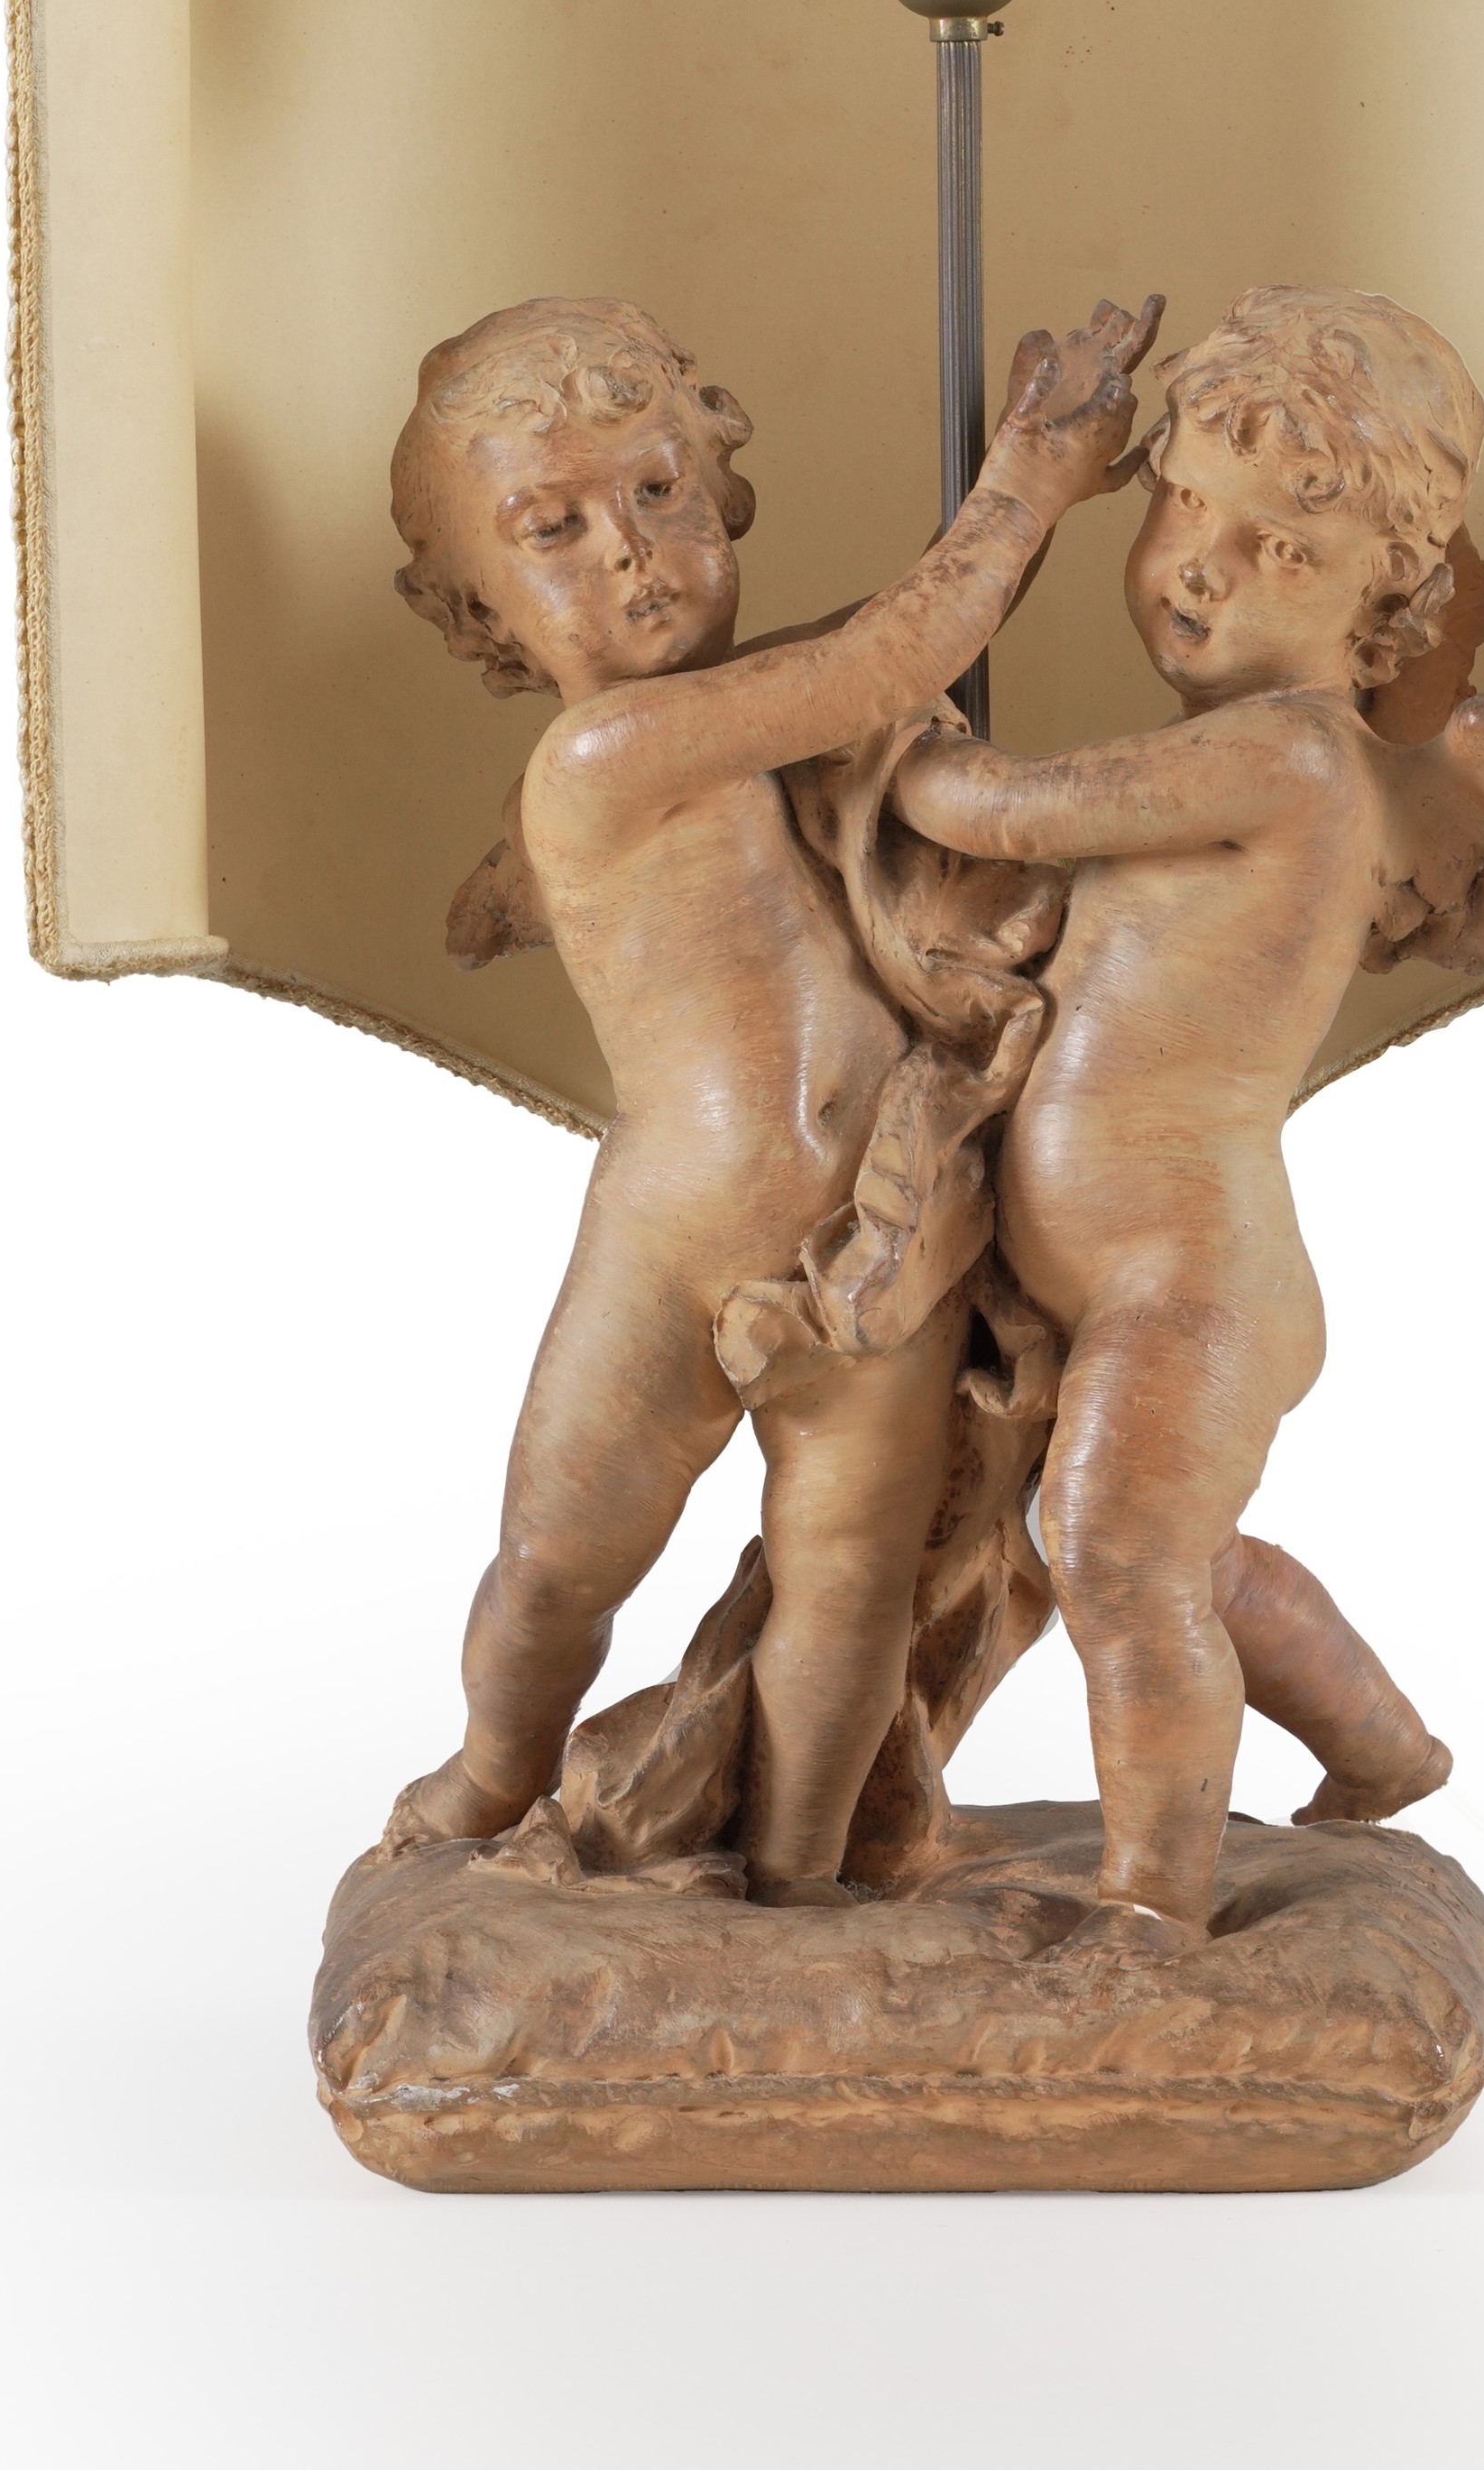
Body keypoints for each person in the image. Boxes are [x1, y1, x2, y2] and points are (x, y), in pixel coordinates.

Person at [892, 287, 1484, 1947]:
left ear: (1382, 600)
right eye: (1186, 503)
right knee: (1189, 1557)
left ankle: (1152, 1906)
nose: (1202, 564)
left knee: (1114, 1555)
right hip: (1113, 1277)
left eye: (1283, 551)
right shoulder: (1242, 758)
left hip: (1192, 1282)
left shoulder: (1293, 761)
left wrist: (891, 716)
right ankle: (1382, 1747)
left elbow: (997, 805)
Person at [376, 290, 1155, 1900]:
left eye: (659, 491)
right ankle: (497, 1764)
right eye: (554, 529)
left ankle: (796, 1880)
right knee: (558, 1559)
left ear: (722, 487)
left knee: (851, 1583)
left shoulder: (761, 711)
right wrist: (1027, 486)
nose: (630, 551)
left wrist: (1017, 499)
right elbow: (893, 654)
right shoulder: (597, 763)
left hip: (878, 1241)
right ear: (480, 608)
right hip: (671, 1251)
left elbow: (888, 646)